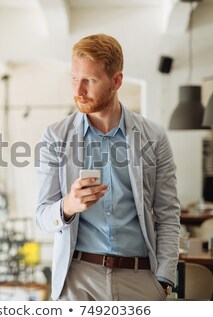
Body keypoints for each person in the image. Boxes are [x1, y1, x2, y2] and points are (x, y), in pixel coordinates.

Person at [35, 34, 180, 301]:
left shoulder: (154, 137)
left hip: (141, 280)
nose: (78, 90)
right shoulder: (55, 137)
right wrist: (68, 206)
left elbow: (168, 214)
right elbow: (42, 216)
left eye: (89, 80)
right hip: (78, 279)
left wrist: (164, 279)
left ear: (116, 81)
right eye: (74, 79)